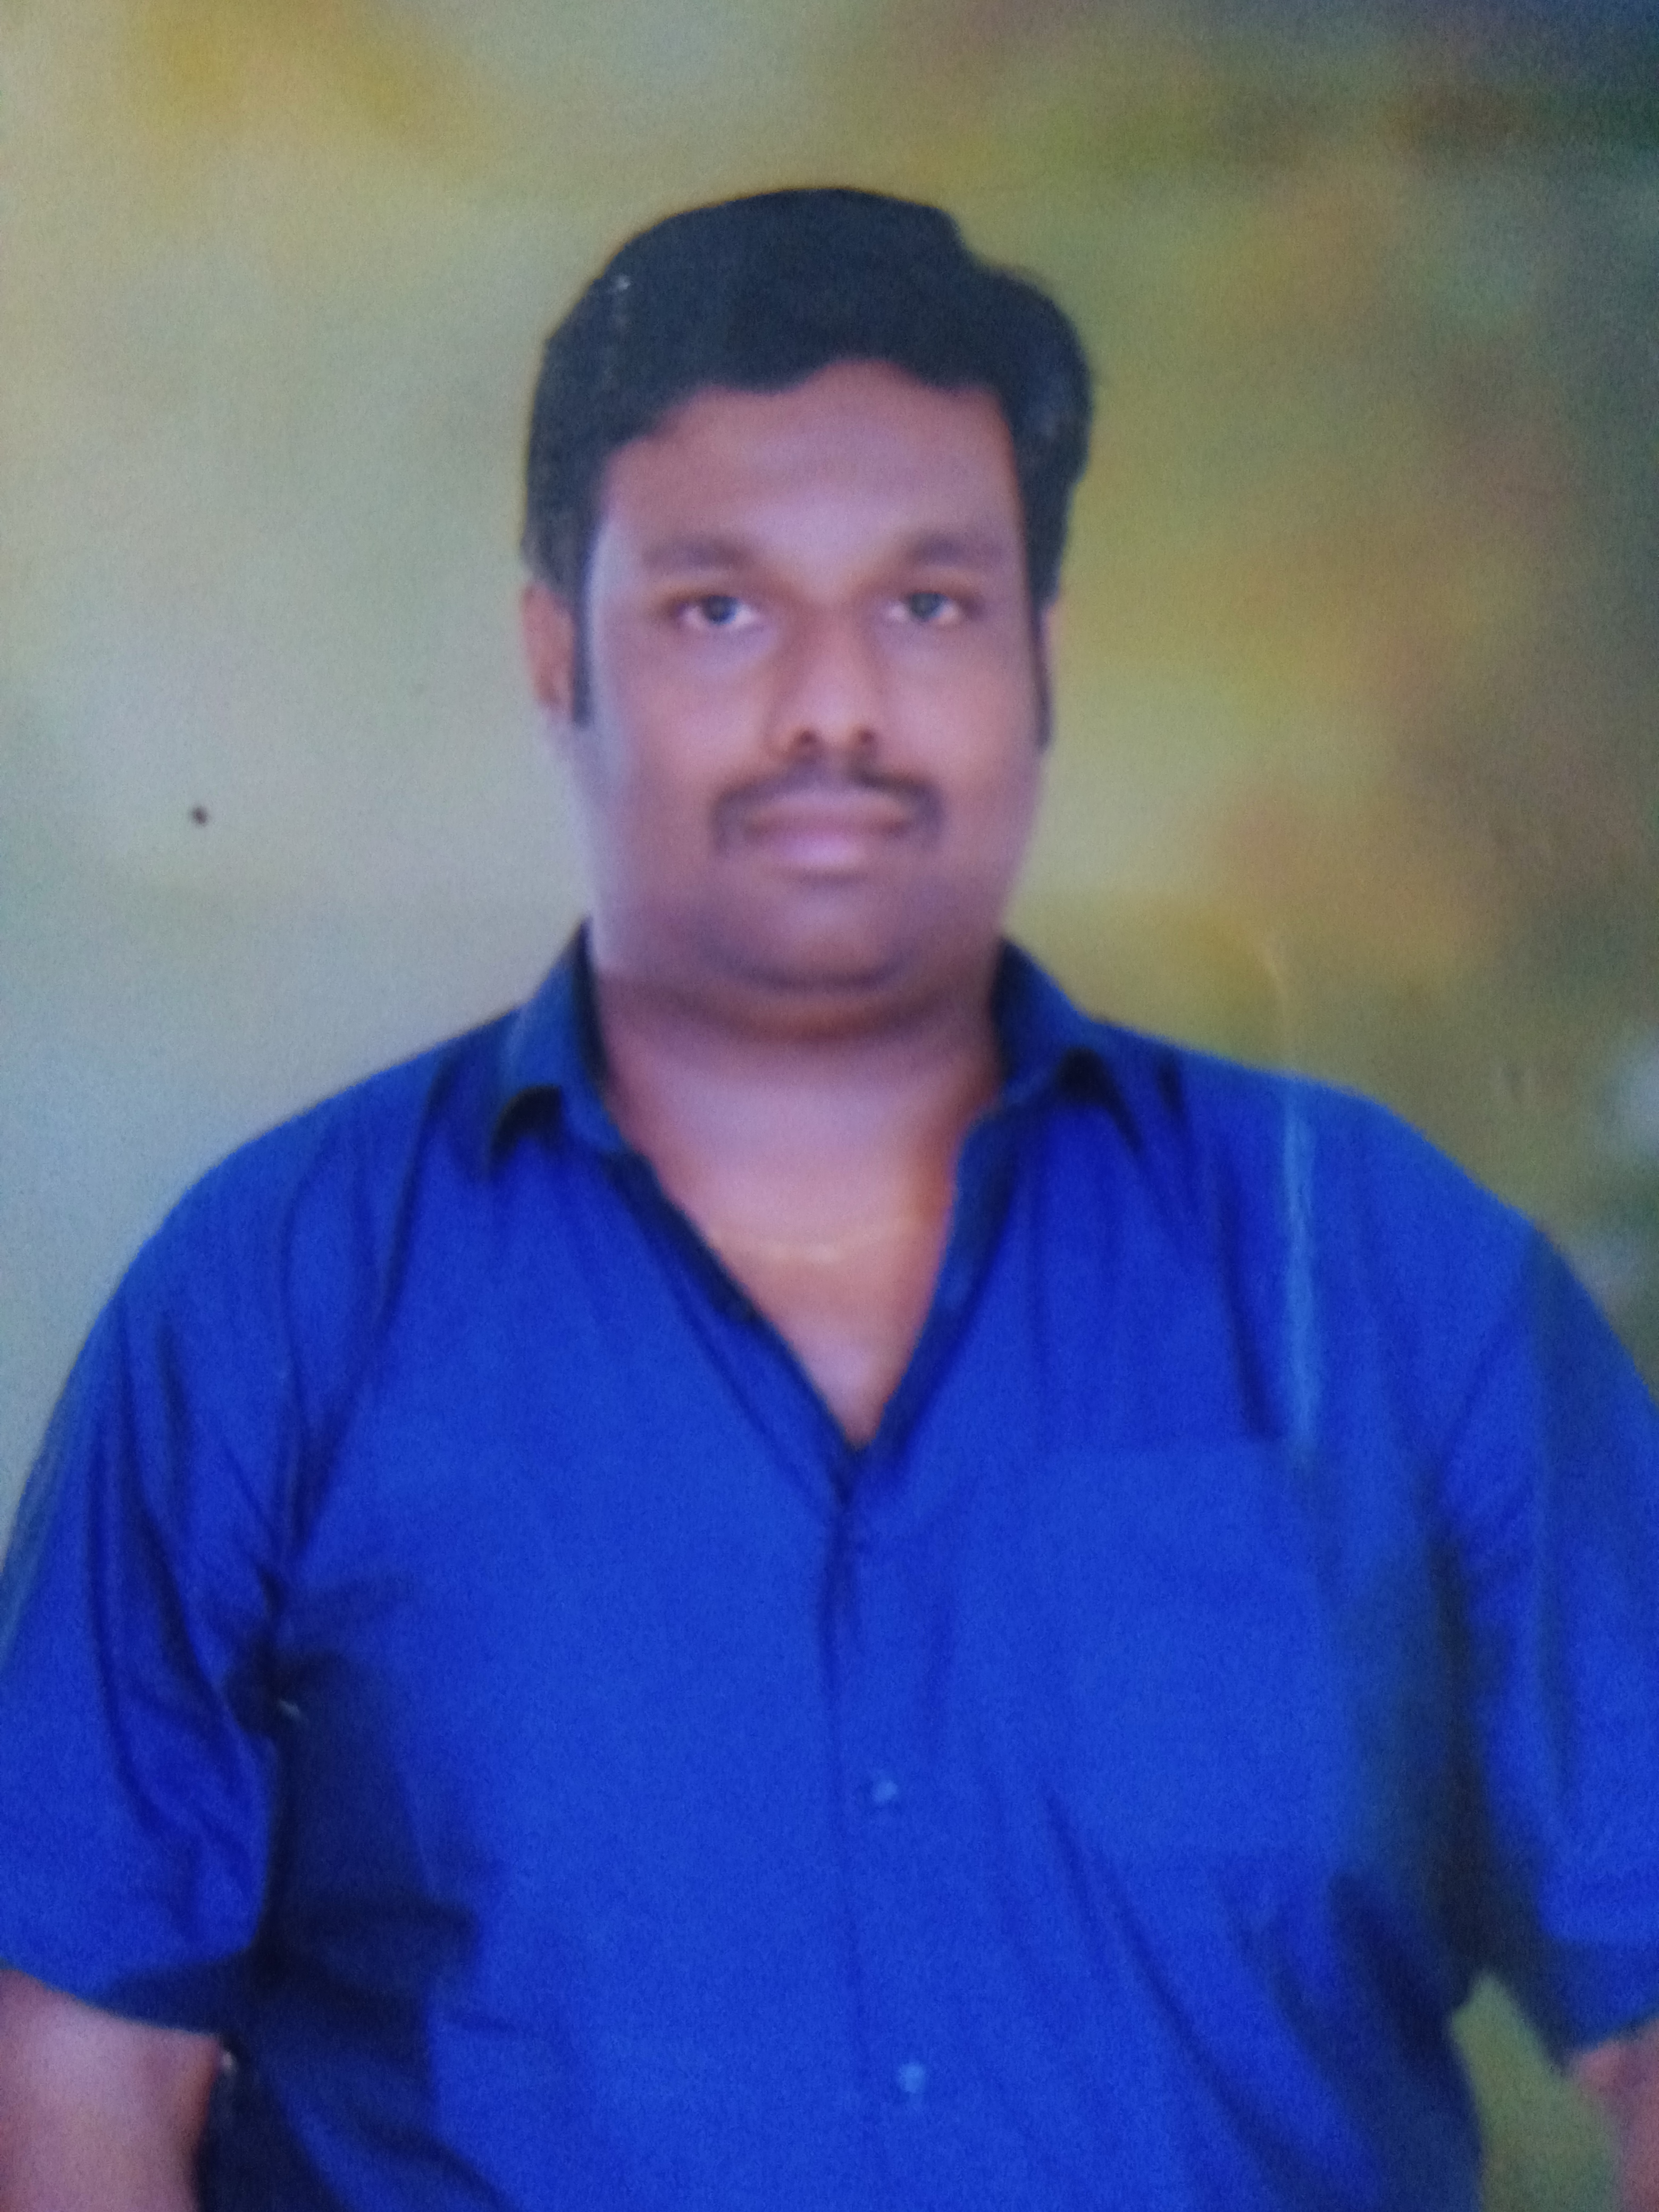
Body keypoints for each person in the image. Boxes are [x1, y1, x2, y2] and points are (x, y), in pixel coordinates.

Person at [1, 187, 1656, 2212]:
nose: (835, 709)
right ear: (555, 653)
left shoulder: (1392, 1280)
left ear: (1043, 657)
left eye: (929, 605)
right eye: (721, 609)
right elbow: (75, 2087)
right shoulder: (273, 1304)